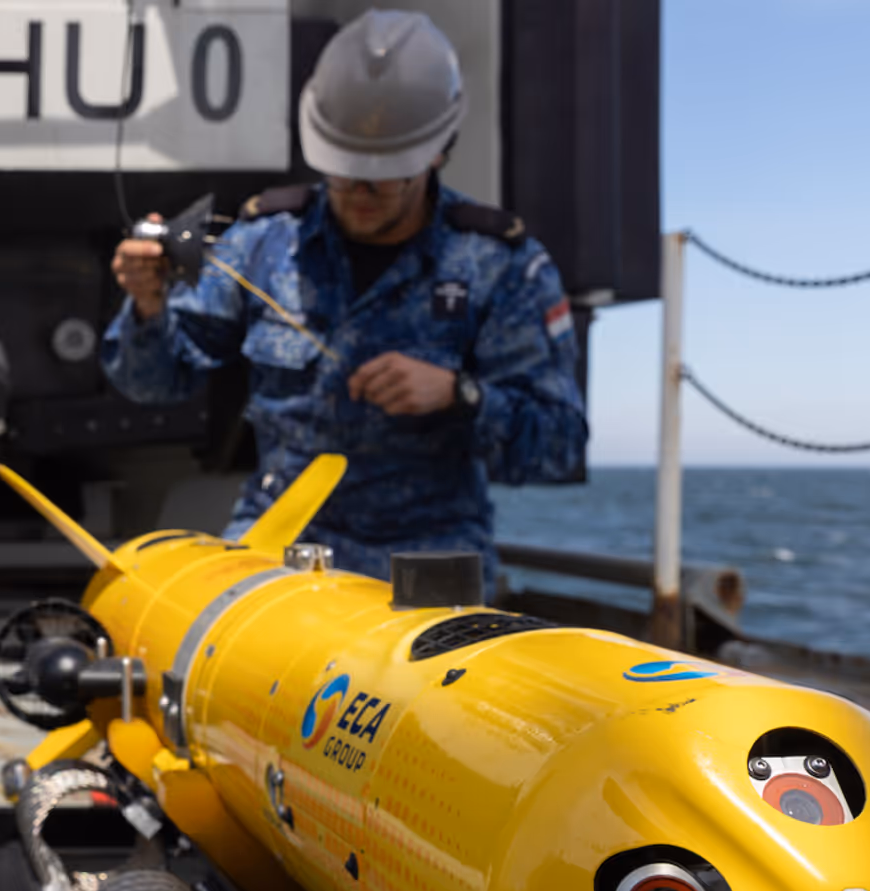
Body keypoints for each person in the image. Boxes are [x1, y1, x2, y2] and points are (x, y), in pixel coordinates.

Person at [103, 8, 587, 594]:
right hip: (280, 547)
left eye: (383, 175)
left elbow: (558, 445)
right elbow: (155, 383)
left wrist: (459, 395)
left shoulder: (498, 265)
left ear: (437, 152)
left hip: (429, 562)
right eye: (343, 169)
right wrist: (149, 306)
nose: (358, 190)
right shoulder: (264, 242)